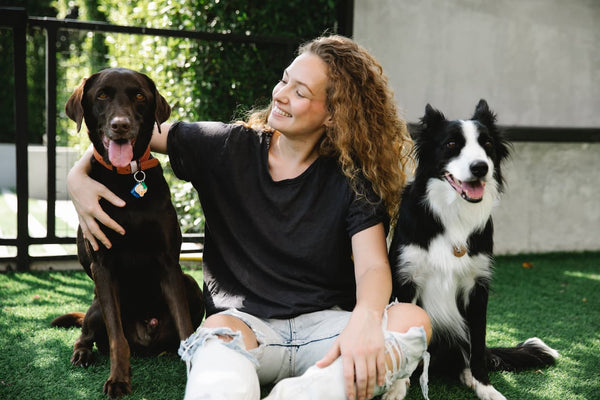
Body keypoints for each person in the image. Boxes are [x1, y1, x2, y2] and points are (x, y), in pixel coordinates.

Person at [67, 35, 432, 400]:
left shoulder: (351, 177)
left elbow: (371, 267)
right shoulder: (224, 147)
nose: (282, 93)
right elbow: (134, 130)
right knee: (216, 343)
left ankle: (301, 393)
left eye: (300, 92)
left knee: (412, 322)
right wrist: (77, 178)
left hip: (326, 329)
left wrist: (366, 322)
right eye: (285, 79)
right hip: (243, 328)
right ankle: (326, 388)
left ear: (334, 113)